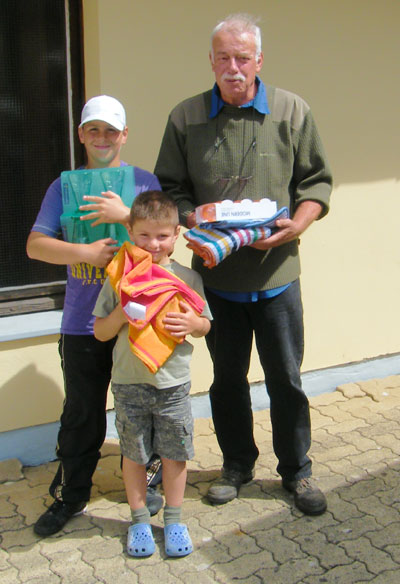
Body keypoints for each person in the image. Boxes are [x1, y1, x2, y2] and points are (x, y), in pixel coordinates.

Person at [154, 14, 333, 515]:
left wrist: (297, 225)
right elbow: (170, 188)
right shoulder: (185, 117)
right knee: (227, 380)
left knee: (286, 380)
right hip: (217, 279)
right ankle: (236, 466)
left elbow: (316, 182)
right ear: (211, 61)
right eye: (224, 58)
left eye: (243, 58)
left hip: (278, 276)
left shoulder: (292, 111)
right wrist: (197, 219)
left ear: (259, 60)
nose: (233, 67)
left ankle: (296, 471)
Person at [27, 95, 163, 537]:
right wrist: (83, 252)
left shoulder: (143, 183)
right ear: (81, 135)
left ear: (125, 135)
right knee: (83, 411)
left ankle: (147, 481)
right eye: (94, 130)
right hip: (82, 322)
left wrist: (125, 217)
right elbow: (36, 245)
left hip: (134, 318)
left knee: (141, 407)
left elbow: (161, 245)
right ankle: (72, 493)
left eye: (111, 130)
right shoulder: (63, 187)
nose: (102, 138)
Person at [92, 190, 212, 557]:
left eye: (162, 235)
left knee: (175, 454)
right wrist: (121, 314)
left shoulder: (188, 278)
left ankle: (174, 520)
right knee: (134, 454)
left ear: (176, 234)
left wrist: (194, 323)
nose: (153, 244)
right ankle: (140, 520)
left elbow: (205, 324)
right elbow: (100, 332)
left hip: (172, 383)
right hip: (130, 382)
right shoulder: (120, 277)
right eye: (144, 235)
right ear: (129, 231)